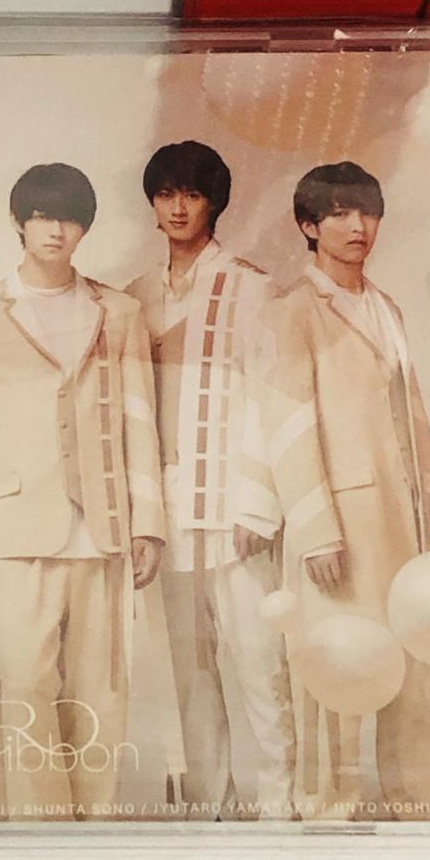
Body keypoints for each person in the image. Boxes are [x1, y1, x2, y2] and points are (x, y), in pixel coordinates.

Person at [0, 162, 165, 819]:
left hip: (103, 522)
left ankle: (94, 824)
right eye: (41, 216)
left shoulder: (119, 312)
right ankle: (36, 829)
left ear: (85, 227)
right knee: (26, 683)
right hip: (11, 524)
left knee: (100, 691)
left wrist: (148, 523)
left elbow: (139, 420)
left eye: (69, 218)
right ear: (18, 221)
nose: (56, 230)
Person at [249, 161, 430, 817]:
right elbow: (286, 426)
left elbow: (415, 418)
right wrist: (315, 531)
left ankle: (420, 799)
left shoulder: (385, 308)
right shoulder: (290, 311)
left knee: (417, 659)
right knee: (338, 661)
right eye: (338, 213)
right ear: (309, 226)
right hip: (340, 523)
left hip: (404, 520)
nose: (356, 226)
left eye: (366, 212)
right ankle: (327, 806)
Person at [126, 141, 295, 818]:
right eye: (166, 194)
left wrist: (258, 505)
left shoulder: (251, 288)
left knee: (259, 660)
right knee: (186, 672)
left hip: (232, 505)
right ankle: (210, 807)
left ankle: (281, 803)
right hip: (165, 511)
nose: (178, 207)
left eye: (192, 194)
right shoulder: (134, 297)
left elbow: (270, 396)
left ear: (214, 203)